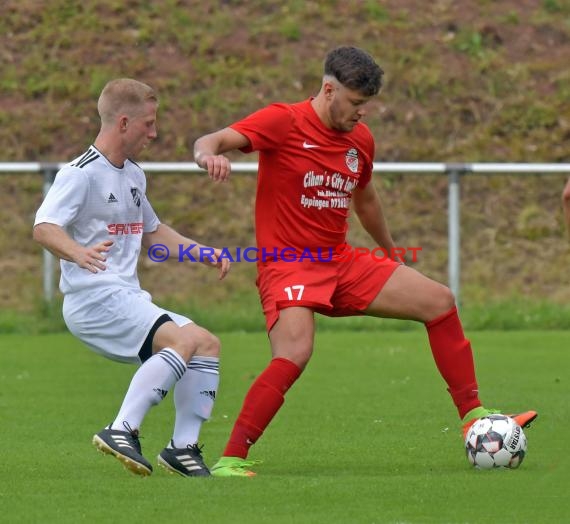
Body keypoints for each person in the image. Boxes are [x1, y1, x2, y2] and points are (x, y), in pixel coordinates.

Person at [192, 46, 538, 477]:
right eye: (355, 103)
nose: (360, 113)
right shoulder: (283, 121)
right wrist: (208, 155)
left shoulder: (360, 139)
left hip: (340, 261)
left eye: (366, 105)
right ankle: (230, 458)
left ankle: (474, 416)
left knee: (439, 301)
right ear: (328, 89)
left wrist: (391, 252)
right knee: (295, 351)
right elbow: (212, 139)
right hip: (288, 264)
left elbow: (366, 199)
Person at [33, 78, 230, 478]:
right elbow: (44, 226)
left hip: (125, 294)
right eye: (149, 124)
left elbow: (153, 232)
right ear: (123, 122)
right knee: (179, 340)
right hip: (92, 298)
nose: (154, 134)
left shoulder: (134, 175)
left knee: (206, 343)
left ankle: (183, 449)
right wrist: (77, 252)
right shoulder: (80, 173)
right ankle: (122, 429)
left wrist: (201, 251)